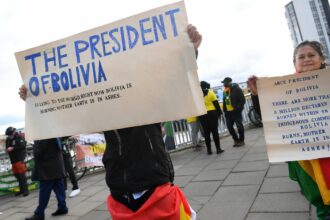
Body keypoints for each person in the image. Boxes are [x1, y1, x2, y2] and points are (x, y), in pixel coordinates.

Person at [247, 40, 330, 220]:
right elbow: (271, 119)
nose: (306, 59)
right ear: (295, 63)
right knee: (322, 202)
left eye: (311, 55)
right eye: (301, 57)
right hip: (306, 157)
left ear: (322, 59)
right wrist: (256, 94)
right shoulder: (285, 88)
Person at [199, 81, 224, 155]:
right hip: (212, 113)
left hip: (202, 114)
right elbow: (216, 104)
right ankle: (218, 149)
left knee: (206, 133)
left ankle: (209, 150)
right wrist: (220, 113)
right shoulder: (210, 93)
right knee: (214, 131)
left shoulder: (198, 95)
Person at [222, 77, 246, 147]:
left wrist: (237, 109)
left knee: (239, 126)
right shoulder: (225, 91)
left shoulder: (237, 89)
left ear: (229, 82)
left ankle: (241, 140)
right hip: (228, 113)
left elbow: (242, 100)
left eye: (225, 82)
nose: (224, 84)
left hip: (236, 112)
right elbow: (224, 101)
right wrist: (224, 110)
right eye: (223, 83)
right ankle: (236, 139)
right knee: (229, 127)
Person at [5, 126, 29, 197]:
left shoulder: (19, 137)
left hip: (19, 159)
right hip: (13, 160)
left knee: (22, 176)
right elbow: (7, 147)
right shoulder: (8, 139)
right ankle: (21, 190)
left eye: (10, 135)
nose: (9, 136)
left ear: (13, 133)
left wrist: (13, 148)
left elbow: (23, 145)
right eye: (8, 135)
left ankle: (25, 190)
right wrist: (7, 149)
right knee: (17, 175)